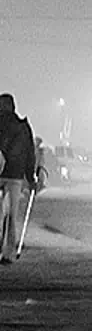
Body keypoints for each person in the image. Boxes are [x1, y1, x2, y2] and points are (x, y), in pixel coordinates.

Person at [0, 95, 39, 264]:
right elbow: (30, 154)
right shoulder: (23, 128)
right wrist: (31, 178)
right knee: (11, 215)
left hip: (2, 174)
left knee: (2, 213)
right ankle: (8, 253)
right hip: (15, 176)